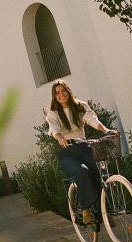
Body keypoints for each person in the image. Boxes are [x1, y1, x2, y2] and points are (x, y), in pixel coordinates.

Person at [46, 80, 118, 226]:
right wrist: (59, 136)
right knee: (82, 172)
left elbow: (91, 119)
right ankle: (85, 210)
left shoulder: (80, 106)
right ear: (55, 97)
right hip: (67, 152)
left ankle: (105, 211)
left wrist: (105, 130)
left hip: (83, 146)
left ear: (68, 90)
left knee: (98, 172)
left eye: (63, 91)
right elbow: (53, 128)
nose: (61, 95)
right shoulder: (53, 112)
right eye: (57, 93)